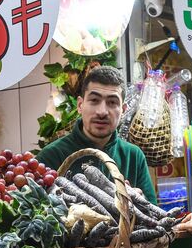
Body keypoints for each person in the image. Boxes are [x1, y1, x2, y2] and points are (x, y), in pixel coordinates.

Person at [35, 66, 157, 203]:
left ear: (122, 110)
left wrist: (140, 200)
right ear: (80, 105)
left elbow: (154, 212)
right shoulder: (51, 156)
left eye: (112, 102)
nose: (102, 111)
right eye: (94, 100)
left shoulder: (133, 156)